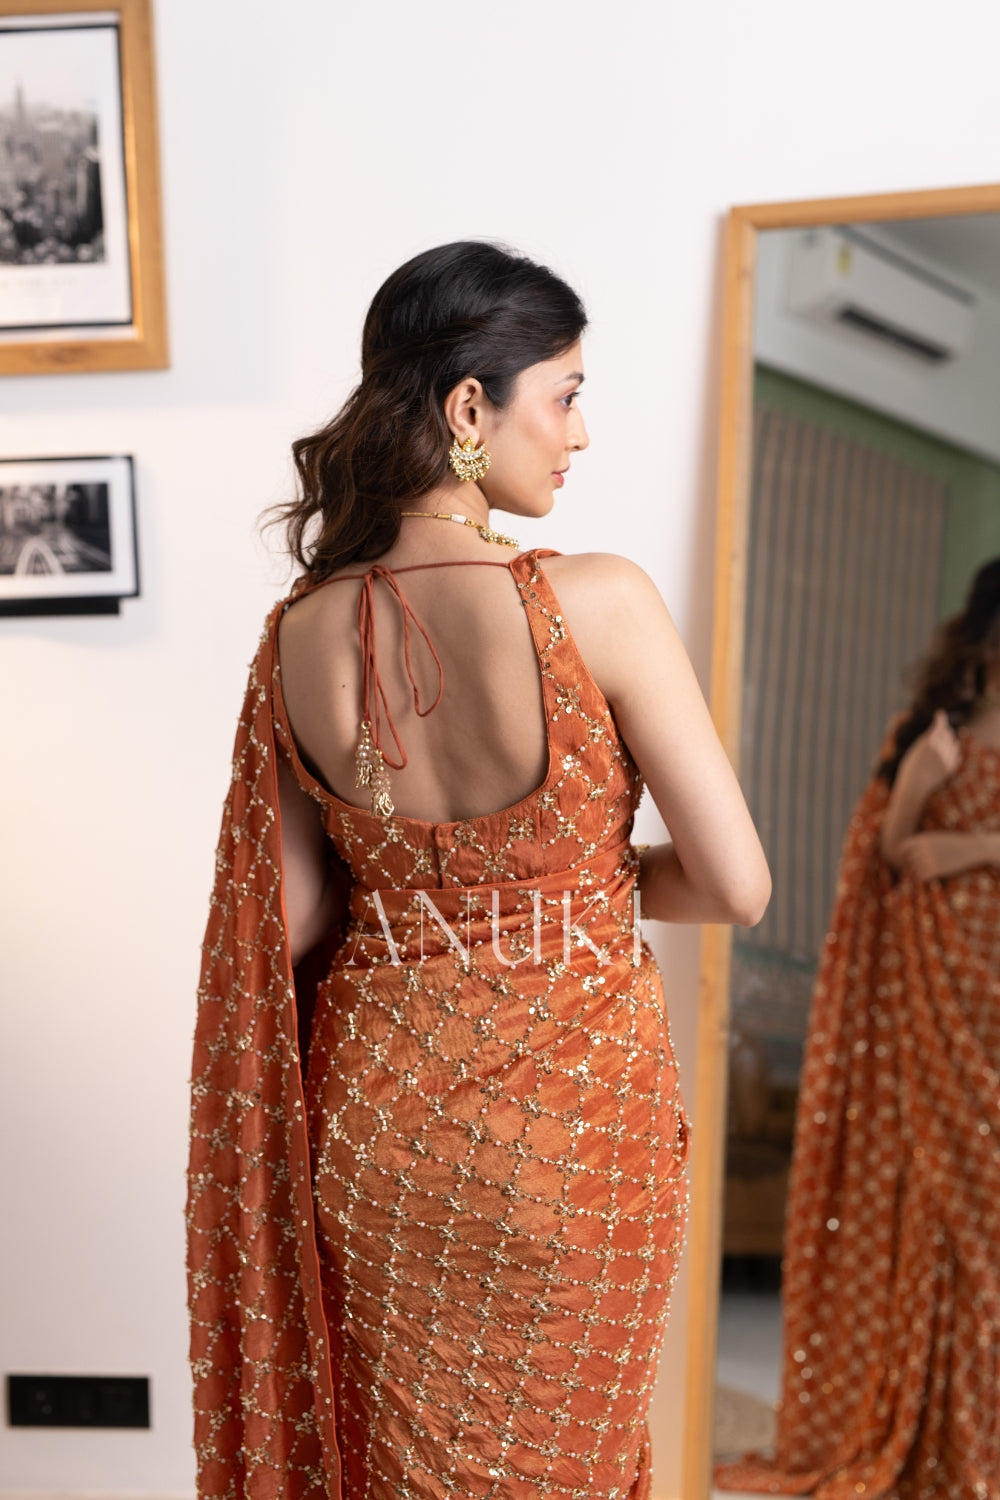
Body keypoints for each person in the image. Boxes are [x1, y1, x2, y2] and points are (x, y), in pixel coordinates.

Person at [187, 240, 770, 1500]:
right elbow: (735, 885)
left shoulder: (297, 634)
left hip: (378, 1129)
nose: (579, 433)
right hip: (571, 1128)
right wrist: (577, 891)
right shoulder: (599, 603)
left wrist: (427, 904)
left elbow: (290, 917)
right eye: (563, 395)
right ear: (469, 408)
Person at [716, 558, 1000, 1500]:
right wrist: (918, 784)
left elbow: (943, 851)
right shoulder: (930, 734)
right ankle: (917, 1437)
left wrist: (974, 845)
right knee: (926, 1211)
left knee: (986, 1225)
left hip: (993, 1004)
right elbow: (878, 858)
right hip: (927, 999)